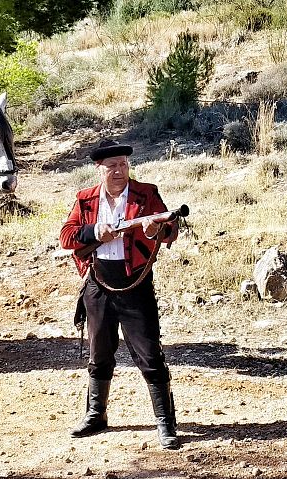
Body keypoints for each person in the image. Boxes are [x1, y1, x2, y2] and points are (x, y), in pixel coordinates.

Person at [59, 139, 181, 449]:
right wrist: (94, 231)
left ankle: (165, 422)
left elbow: (170, 230)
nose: (119, 171)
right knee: (99, 352)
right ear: (98, 169)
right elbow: (66, 236)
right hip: (98, 283)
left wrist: (155, 230)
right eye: (111, 166)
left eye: (123, 165)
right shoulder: (85, 199)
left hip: (135, 283)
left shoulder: (146, 194)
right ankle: (95, 415)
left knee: (149, 354)